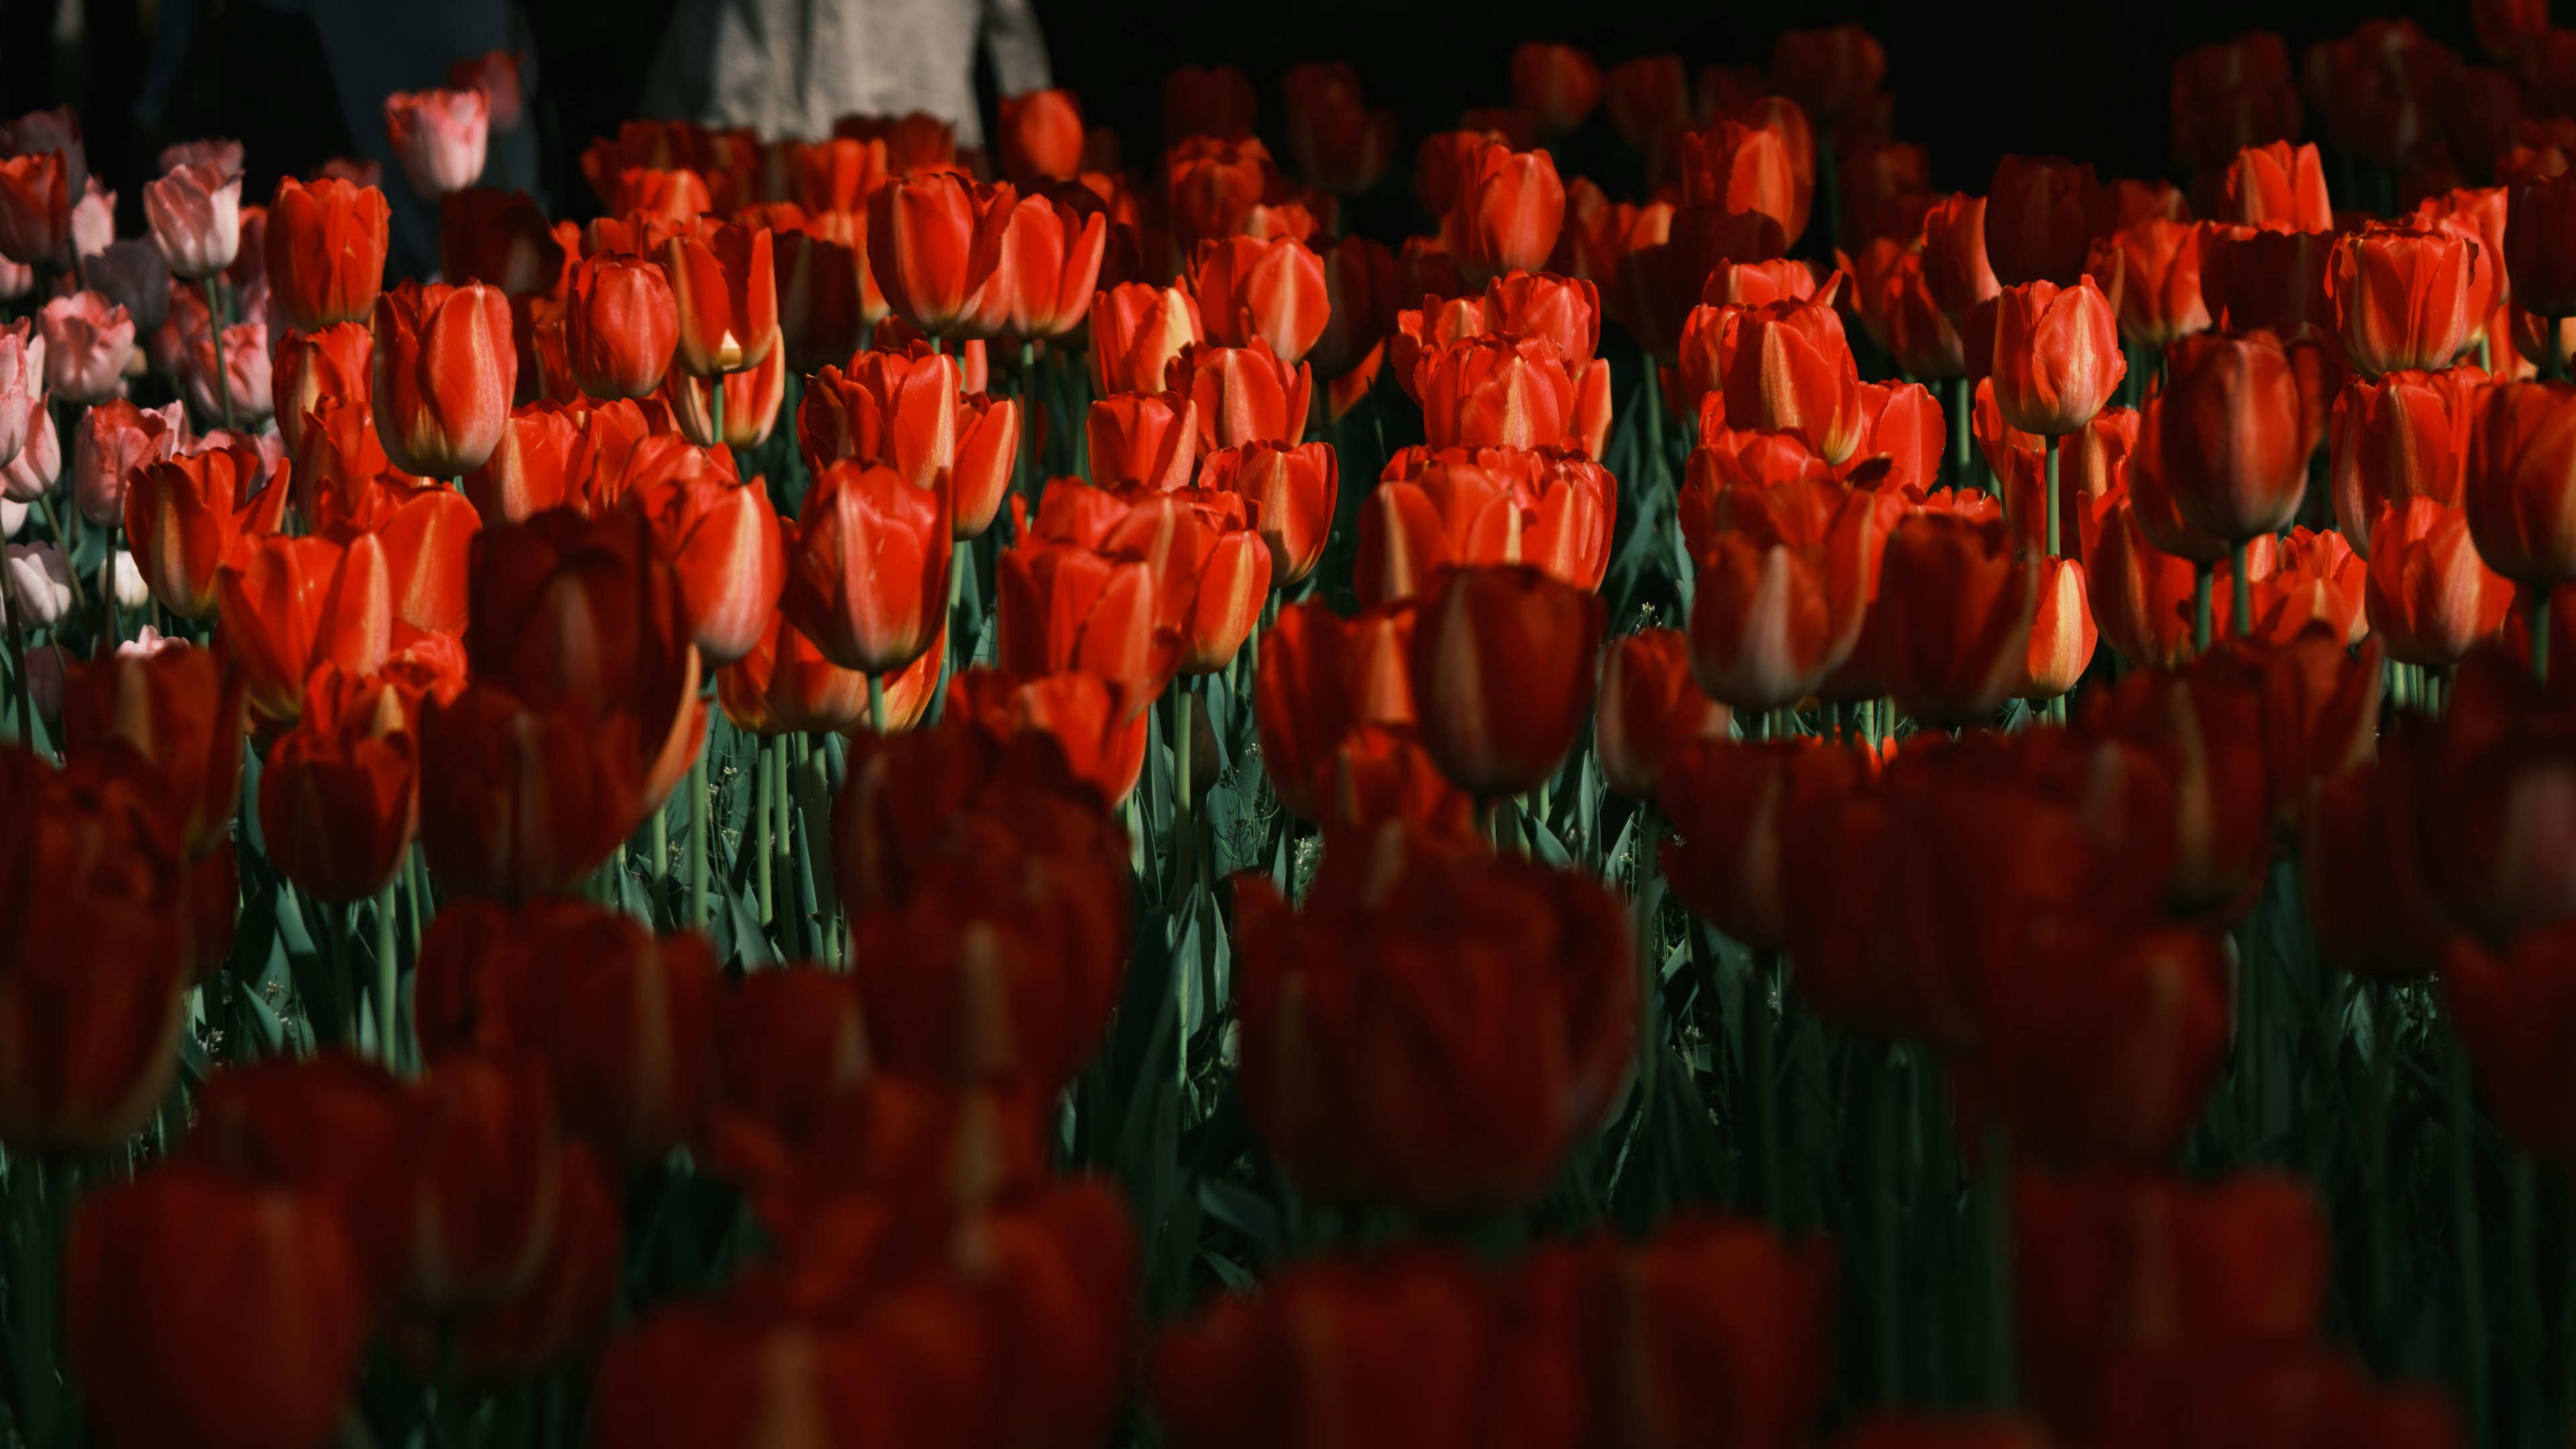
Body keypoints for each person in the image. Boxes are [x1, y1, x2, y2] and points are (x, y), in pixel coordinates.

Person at [641, 0, 1051, 144]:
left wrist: (1037, 139)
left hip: (917, 128)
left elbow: (1014, 28)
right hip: (760, 131)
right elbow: (702, 26)